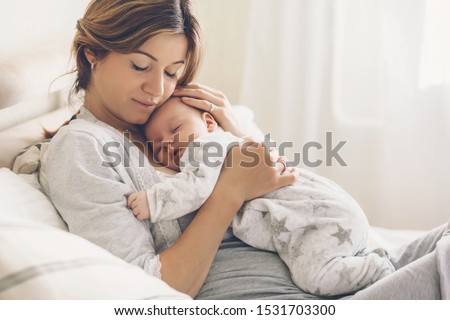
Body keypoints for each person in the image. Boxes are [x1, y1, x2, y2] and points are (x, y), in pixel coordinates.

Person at [39, 0, 450, 299]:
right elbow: (149, 286)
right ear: (92, 53)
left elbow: (279, 184)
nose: (157, 89)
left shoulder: (162, 118)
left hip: (335, 263)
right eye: (140, 66)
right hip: (288, 298)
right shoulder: (82, 149)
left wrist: (235, 131)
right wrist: (229, 190)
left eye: (171, 72)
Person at [127, 97, 394, 296]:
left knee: (315, 276)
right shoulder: (232, 144)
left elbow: (192, 190)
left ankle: (376, 270)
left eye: (175, 129)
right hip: (328, 214)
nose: (168, 144)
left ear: (209, 123)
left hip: (319, 218)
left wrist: (154, 201)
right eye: (158, 147)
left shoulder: (208, 147)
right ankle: (370, 259)